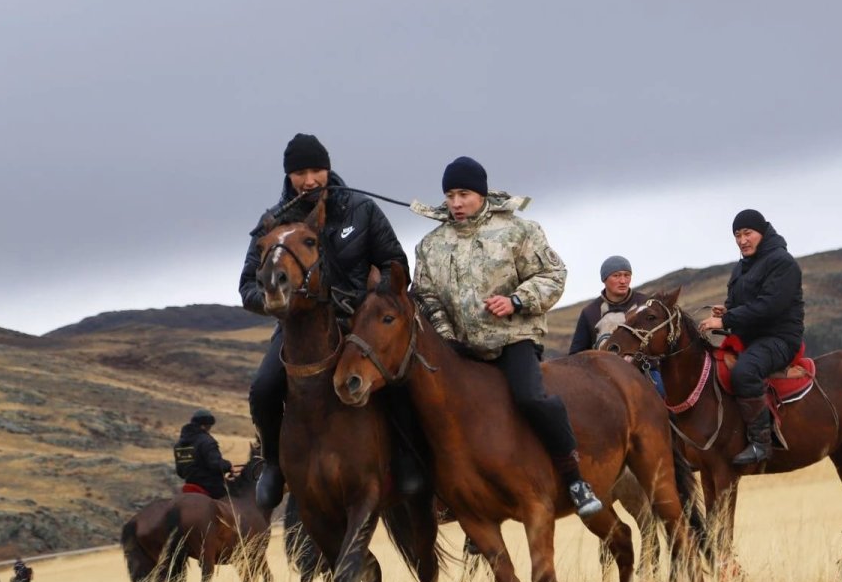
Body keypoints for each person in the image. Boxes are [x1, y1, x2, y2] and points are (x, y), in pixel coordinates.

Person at [412, 156, 603, 517]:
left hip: (513, 339)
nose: (455, 203)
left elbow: (553, 274)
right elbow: (425, 296)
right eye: (450, 195)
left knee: (532, 399)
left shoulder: (519, 231)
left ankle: (575, 478)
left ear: (481, 194)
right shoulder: (430, 245)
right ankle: (461, 496)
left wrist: (516, 300)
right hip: (459, 349)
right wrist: (446, 337)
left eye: (464, 194)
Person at [238, 133, 418, 512]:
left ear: (328, 168)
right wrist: (275, 305)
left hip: (359, 322)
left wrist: (370, 304)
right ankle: (273, 465)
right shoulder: (273, 223)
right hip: (298, 330)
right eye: (300, 172)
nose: (309, 180)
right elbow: (247, 286)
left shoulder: (361, 209)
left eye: (316, 170)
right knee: (264, 388)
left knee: (402, 379)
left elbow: (393, 262)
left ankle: (408, 458)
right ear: (288, 176)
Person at [697, 209, 804, 467]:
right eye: (737, 235)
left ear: (762, 232)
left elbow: (769, 306)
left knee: (744, 371)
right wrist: (728, 310)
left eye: (748, 233)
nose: (742, 240)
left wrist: (725, 321)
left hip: (779, 339)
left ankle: (761, 443)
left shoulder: (783, 262)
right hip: (750, 338)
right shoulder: (741, 268)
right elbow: (739, 303)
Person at [568, 255, 650, 354]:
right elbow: (576, 354)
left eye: (627, 275)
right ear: (604, 279)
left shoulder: (645, 304)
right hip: (601, 368)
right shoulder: (590, 312)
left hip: (643, 367)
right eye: (616, 276)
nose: (623, 281)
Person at [173, 409, 241, 500]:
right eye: (209, 426)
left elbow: (180, 472)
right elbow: (215, 464)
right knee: (235, 500)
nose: (210, 429)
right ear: (204, 426)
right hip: (211, 487)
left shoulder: (179, 444)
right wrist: (228, 466)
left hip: (189, 485)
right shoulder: (206, 441)